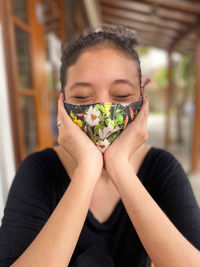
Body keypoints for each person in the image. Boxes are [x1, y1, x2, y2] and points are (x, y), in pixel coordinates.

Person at [0, 25, 200, 267]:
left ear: (142, 101)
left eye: (122, 96)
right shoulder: (38, 171)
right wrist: (87, 169)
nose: (102, 111)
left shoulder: (161, 168)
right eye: (83, 98)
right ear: (62, 104)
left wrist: (119, 167)